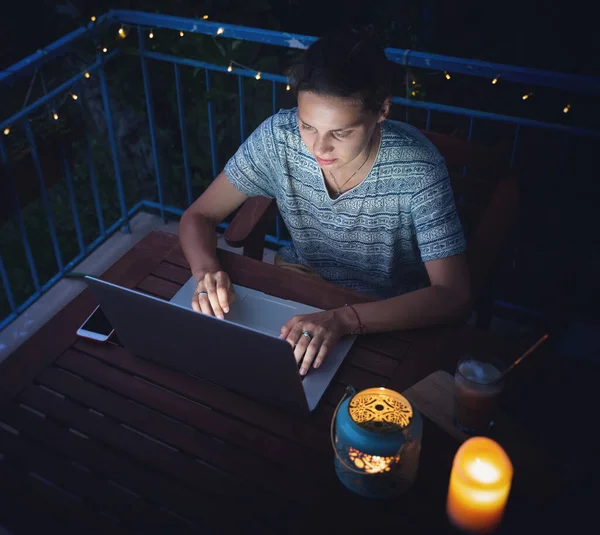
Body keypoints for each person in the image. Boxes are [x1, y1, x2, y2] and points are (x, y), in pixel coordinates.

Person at [179, 28, 471, 376]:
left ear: (382, 111)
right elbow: (198, 216)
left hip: (384, 311)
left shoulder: (418, 168)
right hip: (298, 285)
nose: (318, 148)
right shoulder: (279, 138)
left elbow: (453, 295)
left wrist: (344, 319)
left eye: (341, 132)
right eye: (308, 126)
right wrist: (206, 271)